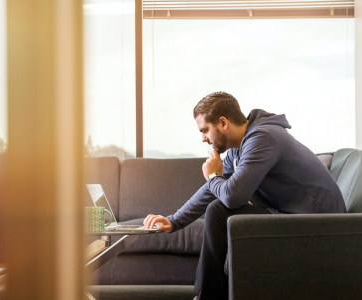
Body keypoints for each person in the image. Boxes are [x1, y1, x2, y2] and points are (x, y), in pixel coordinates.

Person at [143, 91, 346, 300]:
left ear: (223, 123)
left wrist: (213, 175)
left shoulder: (263, 138)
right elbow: (212, 191)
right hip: (291, 216)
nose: (203, 138)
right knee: (218, 208)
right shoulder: (238, 149)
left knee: (220, 211)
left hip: (321, 226)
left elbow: (232, 196)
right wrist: (174, 220)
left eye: (205, 130)